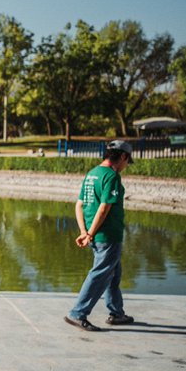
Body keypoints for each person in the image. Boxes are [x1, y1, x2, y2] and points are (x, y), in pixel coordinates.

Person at [66, 140, 135, 331]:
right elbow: (104, 208)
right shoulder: (111, 176)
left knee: (113, 274)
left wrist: (83, 231)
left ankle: (116, 313)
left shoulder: (92, 174)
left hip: (94, 235)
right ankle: (77, 313)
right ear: (123, 157)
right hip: (107, 236)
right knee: (100, 274)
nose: (126, 166)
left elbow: (79, 205)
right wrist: (90, 233)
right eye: (127, 162)